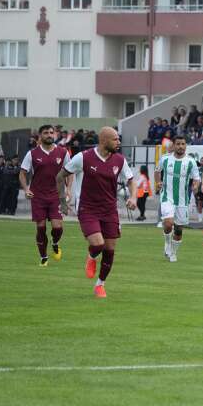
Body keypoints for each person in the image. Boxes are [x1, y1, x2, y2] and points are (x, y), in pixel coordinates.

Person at [56, 126, 137, 298]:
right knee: (98, 244)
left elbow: (131, 180)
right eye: (115, 139)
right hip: (88, 208)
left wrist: (134, 198)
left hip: (109, 210)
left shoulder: (120, 160)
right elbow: (60, 176)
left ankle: (100, 285)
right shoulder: (83, 158)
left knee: (109, 249)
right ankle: (91, 256)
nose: (119, 142)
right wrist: (63, 200)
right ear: (103, 141)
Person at [18, 124, 71, 266]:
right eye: (46, 133)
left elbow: (70, 172)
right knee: (41, 227)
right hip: (38, 196)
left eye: (51, 133)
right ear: (40, 136)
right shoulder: (32, 154)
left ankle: (55, 242)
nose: (49, 135)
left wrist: (68, 189)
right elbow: (22, 173)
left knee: (57, 227)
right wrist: (26, 189)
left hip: (57, 195)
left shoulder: (63, 152)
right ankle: (43, 257)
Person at [155, 135, 199, 263]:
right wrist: (158, 182)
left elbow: (196, 178)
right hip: (167, 196)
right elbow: (157, 171)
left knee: (179, 229)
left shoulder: (191, 162)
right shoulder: (165, 159)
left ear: (186, 146)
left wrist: (196, 186)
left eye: (183, 144)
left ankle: (173, 253)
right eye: (178, 144)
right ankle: (167, 244)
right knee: (168, 223)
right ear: (174, 145)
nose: (181, 146)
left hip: (182, 200)